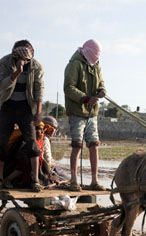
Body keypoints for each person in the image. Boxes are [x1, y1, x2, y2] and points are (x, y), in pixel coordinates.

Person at [0, 40, 44, 191]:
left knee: (31, 143)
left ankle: (35, 180)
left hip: (26, 107)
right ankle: (0, 178)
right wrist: (17, 72)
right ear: (14, 54)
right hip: (8, 105)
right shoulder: (5, 62)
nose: (23, 60)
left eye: (26, 58)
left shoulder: (36, 66)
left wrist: (38, 113)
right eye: (19, 57)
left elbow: (38, 89)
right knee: (2, 142)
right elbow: (2, 85)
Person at [64, 39, 106, 191]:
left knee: (94, 145)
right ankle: (74, 181)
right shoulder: (74, 65)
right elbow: (69, 88)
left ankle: (94, 181)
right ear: (87, 51)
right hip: (77, 112)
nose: (96, 59)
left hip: (92, 113)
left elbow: (101, 82)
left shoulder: (96, 66)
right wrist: (86, 98)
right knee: (77, 146)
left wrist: (101, 90)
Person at [42, 115, 69, 181]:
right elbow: (48, 164)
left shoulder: (41, 137)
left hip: (45, 168)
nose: (53, 130)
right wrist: (55, 164)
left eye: (54, 128)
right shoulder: (45, 139)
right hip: (48, 169)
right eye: (51, 127)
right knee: (69, 179)